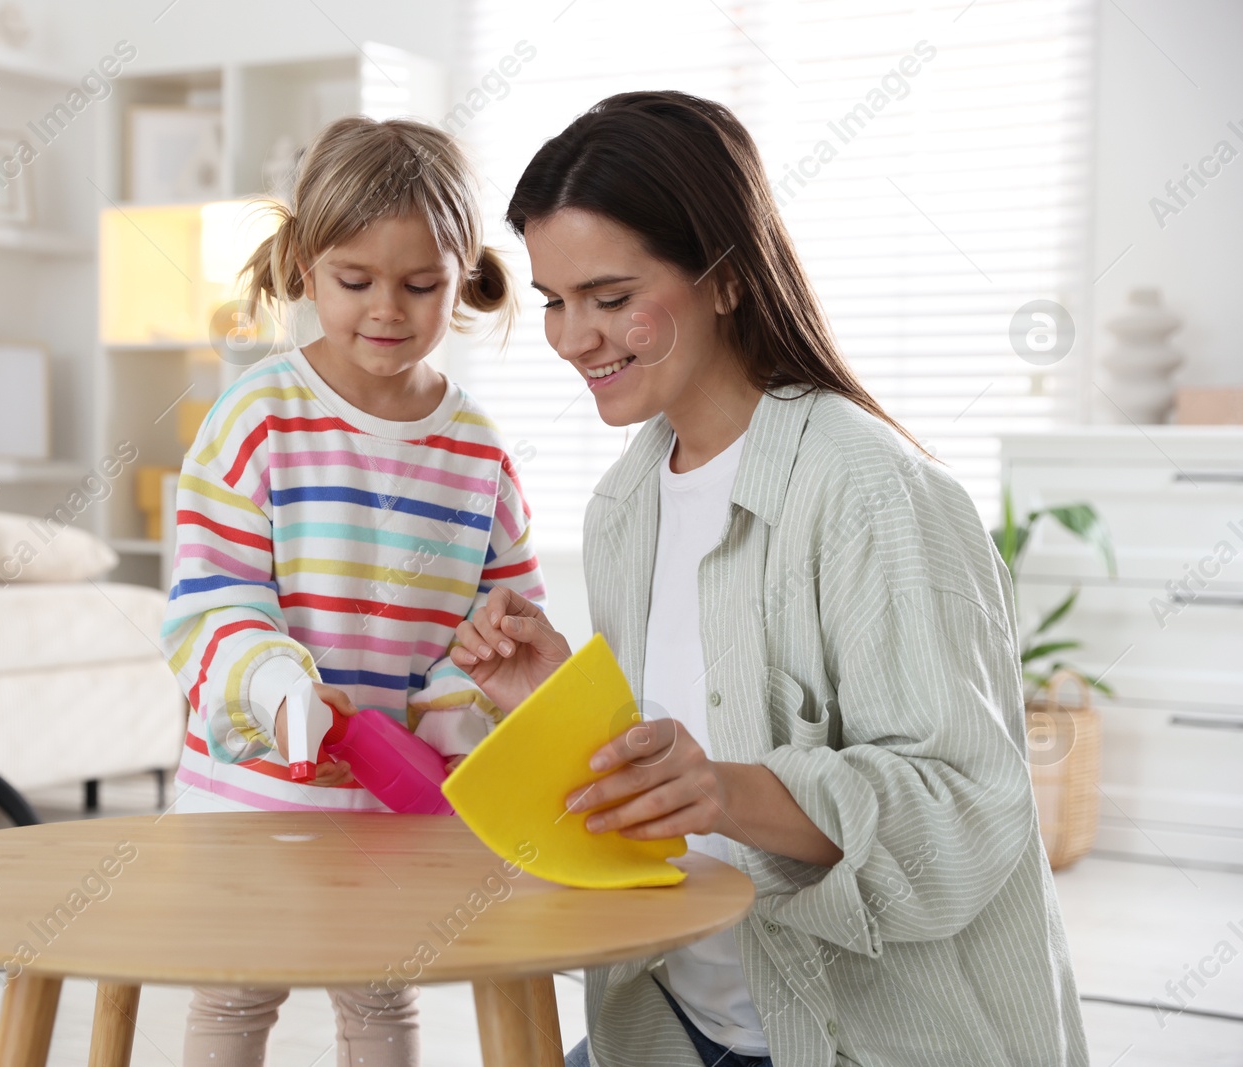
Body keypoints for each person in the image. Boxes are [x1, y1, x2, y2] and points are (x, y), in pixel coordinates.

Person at [450, 91, 1087, 1067]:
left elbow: (966, 810)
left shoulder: (873, 492)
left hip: (857, 1035)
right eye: (553, 302)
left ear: (727, 278)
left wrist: (726, 788)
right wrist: (552, 702)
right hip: (670, 1016)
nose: (574, 337)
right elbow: (671, 770)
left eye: (611, 298)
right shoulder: (625, 504)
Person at [161, 115, 546, 1067]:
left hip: (399, 803)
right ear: (304, 266)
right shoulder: (255, 419)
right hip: (253, 790)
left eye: (422, 285)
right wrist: (285, 699)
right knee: (233, 997)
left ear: (465, 274)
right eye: (355, 281)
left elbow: (497, 632)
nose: (388, 309)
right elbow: (214, 599)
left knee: (381, 1008)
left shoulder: (479, 450)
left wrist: (445, 735)